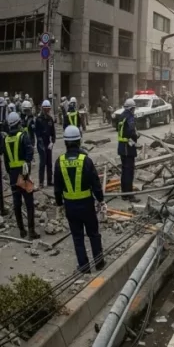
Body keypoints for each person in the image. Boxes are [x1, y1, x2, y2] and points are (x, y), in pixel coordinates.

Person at [54, 125, 105, 273]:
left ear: (65, 142)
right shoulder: (85, 160)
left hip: (70, 206)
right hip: (87, 205)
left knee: (77, 237)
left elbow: (57, 187)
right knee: (94, 234)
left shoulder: (60, 161)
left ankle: (84, 266)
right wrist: (100, 200)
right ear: (79, 141)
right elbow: (95, 183)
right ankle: (99, 263)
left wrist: (59, 204)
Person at [4, 112, 38, 239]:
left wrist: (11, 173)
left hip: (13, 174)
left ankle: (22, 231)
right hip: (23, 174)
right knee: (29, 203)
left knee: (16, 203)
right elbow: (29, 152)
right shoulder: (23, 136)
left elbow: (6, 161)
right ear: (18, 123)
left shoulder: (6, 139)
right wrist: (27, 166)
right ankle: (31, 231)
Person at [117, 99, 139, 202]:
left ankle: (124, 194)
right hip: (128, 148)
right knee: (129, 172)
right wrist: (136, 136)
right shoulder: (130, 117)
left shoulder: (121, 115)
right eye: (134, 108)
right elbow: (131, 131)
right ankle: (130, 195)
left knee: (124, 171)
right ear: (131, 108)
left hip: (121, 146)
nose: (134, 110)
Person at [35, 100, 56, 189]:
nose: (47, 111)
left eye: (48, 109)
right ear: (43, 109)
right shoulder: (38, 119)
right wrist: (41, 144)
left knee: (49, 163)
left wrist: (52, 142)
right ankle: (41, 182)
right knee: (42, 163)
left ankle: (49, 180)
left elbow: (53, 132)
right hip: (41, 143)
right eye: (46, 109)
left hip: (48, 143)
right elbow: (37, 134)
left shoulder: (50, 119)